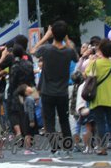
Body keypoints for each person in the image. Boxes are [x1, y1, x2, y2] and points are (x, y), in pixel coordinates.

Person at [32, 21, 78, 156]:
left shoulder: (46, 49)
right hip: (62, 92)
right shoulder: (68, 51)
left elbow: (33, 50)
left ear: (53, 34)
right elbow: (76, 58)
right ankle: (68, 149)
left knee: (50, 122)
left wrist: (46, 37)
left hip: (47, 91)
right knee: (64, 121)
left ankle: (55, 148)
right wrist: (67, 39)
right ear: (64, 35)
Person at [84, 39, 111, 156]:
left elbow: (86, 74)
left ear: (101, 50)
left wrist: (91, 61)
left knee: (100, 123)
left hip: (98, 97)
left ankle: (102, 148)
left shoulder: (96, 63)